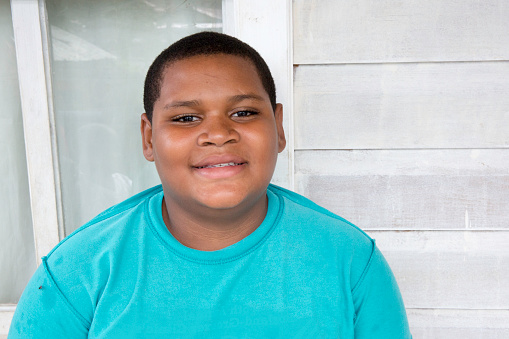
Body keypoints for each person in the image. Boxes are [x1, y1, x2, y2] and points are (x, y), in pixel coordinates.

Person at [9, 32, 412, 338]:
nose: (217, 134)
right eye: (186, 118)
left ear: (279, 127)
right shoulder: (75, 274)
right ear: (149, 138)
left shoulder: (350, 262)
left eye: (243, 112)